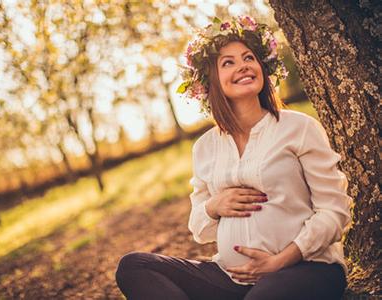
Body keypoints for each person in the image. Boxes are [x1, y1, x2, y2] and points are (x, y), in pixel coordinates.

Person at [115, 15, 352, 300]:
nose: (243, 66)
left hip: (307, 268)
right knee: (134, 266)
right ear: (212, 81)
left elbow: (334, 210)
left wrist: (280, 260)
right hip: (232, 279)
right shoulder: (204, 147)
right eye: (228, 62)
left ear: (262, 68)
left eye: (248, 57)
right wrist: (214, 205)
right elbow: (200, 230)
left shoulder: (298, 128)